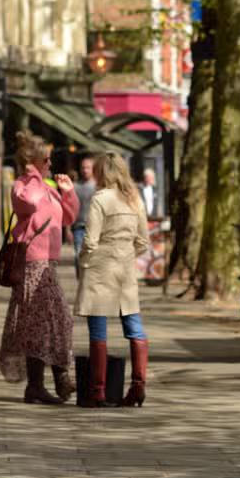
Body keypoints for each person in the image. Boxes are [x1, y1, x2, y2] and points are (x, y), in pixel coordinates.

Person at [0, 131, 79, 404]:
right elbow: (29, 203)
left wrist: (68, 192)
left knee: (56, 320)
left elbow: (68, 217)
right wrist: (32, 173)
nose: (50, 164)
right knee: (41, 324)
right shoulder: (23, 186)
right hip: (31, 264)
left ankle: (51, 382)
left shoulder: (47, 187)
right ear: (33, 162)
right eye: (46, 160)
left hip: (48, 264)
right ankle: (44, 384)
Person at [74, 152, 151, 408]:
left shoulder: (100, 199)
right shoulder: (134, 199)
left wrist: (83, 261)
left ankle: (97, 390)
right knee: (134, 326)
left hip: (100, 268)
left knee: (98, 330)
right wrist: (126, 255)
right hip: (125, 269)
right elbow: (143, 241)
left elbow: (90, 240)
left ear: (101, 172)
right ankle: (138, 387)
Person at [72, 156, 96, 271]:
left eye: (88, 167)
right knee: (78, 256)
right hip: (78, 227)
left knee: (92, 258)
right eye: (83, 167)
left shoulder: (98, 186)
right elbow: (70, 208)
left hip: (94, 227)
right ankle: (80, 278)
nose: (85, 170)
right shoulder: (75, 186)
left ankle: (88, 279)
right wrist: (68, 229)